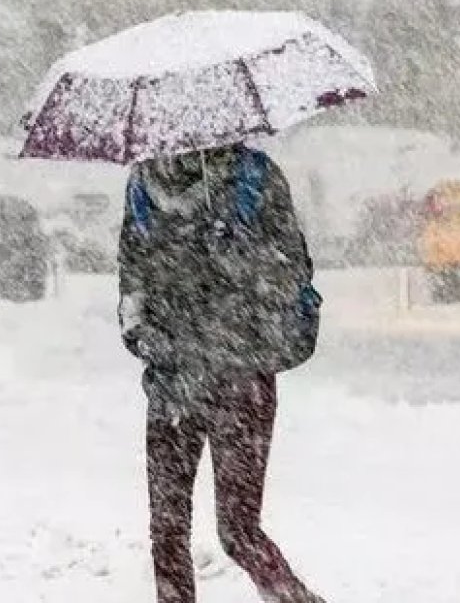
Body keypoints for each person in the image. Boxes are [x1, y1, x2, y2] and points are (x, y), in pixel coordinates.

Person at [117, 144, 324, 603]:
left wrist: (236, 253)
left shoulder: (253, 176)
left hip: (242, 373)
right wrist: (136, 329)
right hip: (174, 378)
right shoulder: (143, 185)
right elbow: (131, 274)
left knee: (238, 530)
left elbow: (292, 273)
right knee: (167, 529)